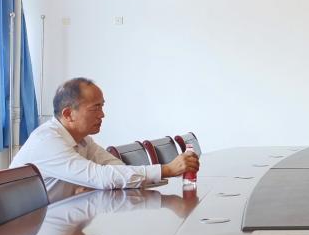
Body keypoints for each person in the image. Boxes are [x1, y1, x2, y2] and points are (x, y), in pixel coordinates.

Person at [11, 77, 199, 202]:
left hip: (57, 219)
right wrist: (166, 169)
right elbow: (101, 177)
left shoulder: (83, 140)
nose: (102, 115)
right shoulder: (47, 141)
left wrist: (96, 184)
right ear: (68, 114)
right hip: (25, 233)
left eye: (102, 106)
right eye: (95, 108)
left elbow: (114, 168)